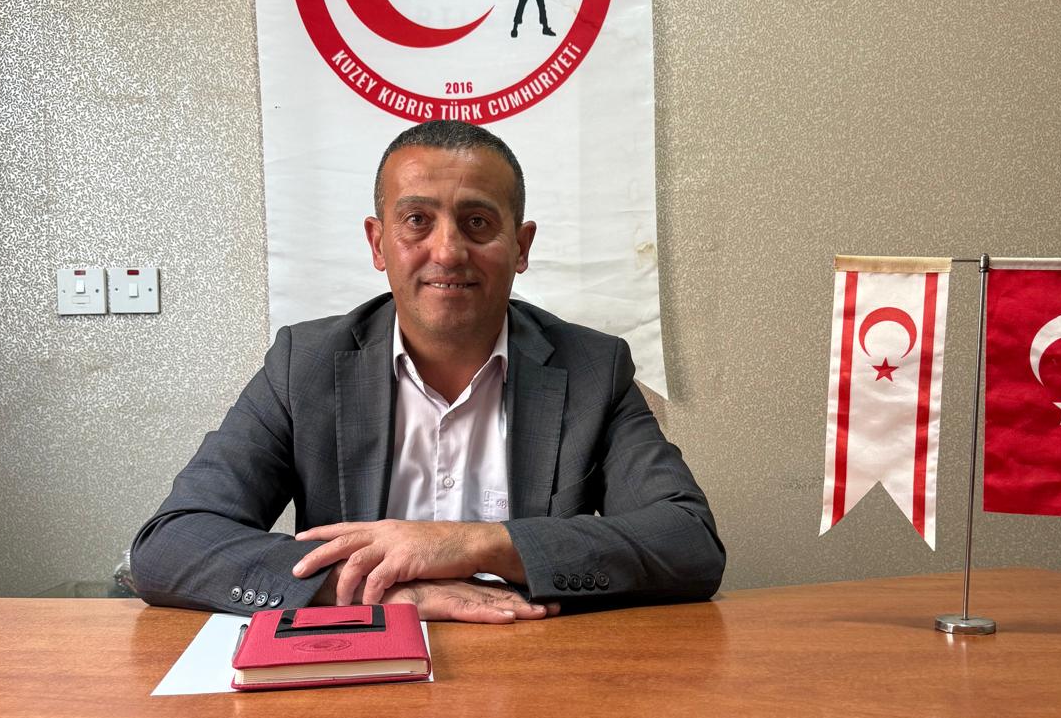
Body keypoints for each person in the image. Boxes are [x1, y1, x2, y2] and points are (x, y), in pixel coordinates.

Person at [130, 124, 725, 623]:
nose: (448, 251)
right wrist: (377, 589)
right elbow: (171, 543)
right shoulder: (303, 364)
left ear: (521, 247)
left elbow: (687, 540)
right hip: (358, 673)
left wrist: (470, 543)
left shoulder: (593, 369)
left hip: (531, 664)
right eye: (417, 219)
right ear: (378, 243)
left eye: (477, 222)